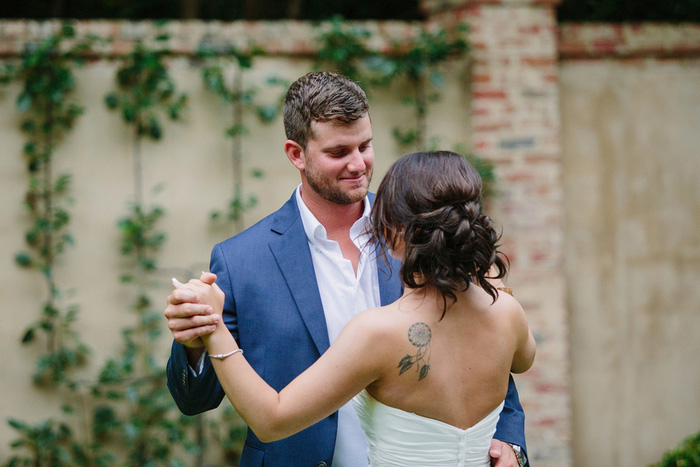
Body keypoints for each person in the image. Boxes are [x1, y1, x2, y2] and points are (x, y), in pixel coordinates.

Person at [164, 71, 530, 467]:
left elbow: (482, 354)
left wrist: (509, 442)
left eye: (366, 146)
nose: (359, 164)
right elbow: (195, 400)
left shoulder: (422, 231)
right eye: (339, 152)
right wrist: (196, 339)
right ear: (296, 153)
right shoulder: (242, 261)